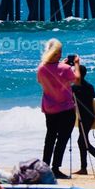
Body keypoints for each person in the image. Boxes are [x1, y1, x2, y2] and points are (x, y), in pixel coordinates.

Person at [37, 38, 82, 179]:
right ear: (55, 53)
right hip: (65, 109)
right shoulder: (66, 68)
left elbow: (44, 79)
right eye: (59, 52)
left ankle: (44, 167)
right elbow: (78, 80)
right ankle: (55, 168)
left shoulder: (41, 68)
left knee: (49, 138)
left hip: (49, 109)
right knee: (62, 139)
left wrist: (58, 65)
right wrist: (76, 64)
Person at [72, 64, 95, 175]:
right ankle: (84, 168)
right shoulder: (90, 86)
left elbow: (71, 102)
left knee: (82, 141)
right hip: (90, 116)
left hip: (83, 117)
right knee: (82, 141)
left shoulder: (74, 88)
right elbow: (94, 101)